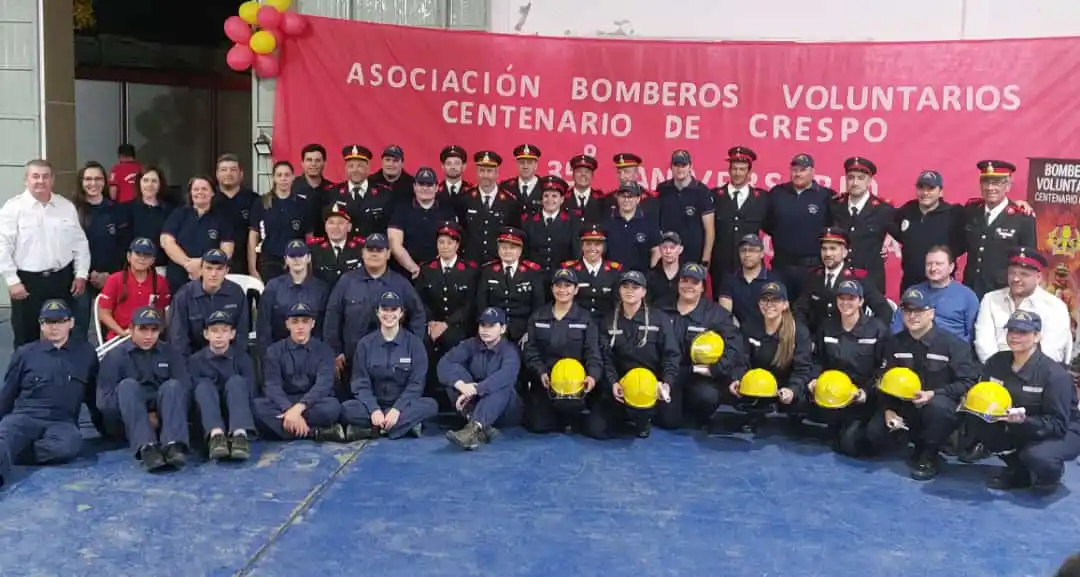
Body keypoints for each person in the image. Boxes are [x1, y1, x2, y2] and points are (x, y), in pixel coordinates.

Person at [866, 287, 979, 480]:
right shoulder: (894, 343)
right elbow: (884, 380)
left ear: (931, 314)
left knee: (937, 409)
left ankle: (929, 453)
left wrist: (934, 394)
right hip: (904, 406)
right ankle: (910, 438)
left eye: (919, 311)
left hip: (939, 406)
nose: (912, 316)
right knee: (873, 436)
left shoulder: (953, 344)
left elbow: (968, 382)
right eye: (907, 311)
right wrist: (888, 410)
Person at [965, 310, 1080, 493]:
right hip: (1015, 422)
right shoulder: (997, 361)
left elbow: (1058, 424)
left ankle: (1050, 475)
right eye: (1011, 331)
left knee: (1036, 455)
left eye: (1023, 332)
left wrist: (1024, 421)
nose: (1015, 336)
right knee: (977, 420)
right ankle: (1017, 470)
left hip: (1063, 430)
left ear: (1037, 336)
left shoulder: (1054, 374)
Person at [0, 300, 97, 488]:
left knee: (70, 445)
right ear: (41, 325)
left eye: (60, 321)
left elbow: (93, 394)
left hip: (61, 422)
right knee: (3, 437)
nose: (54, 327)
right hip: (25, 418)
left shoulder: (86, 353)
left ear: (71, 323)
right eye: (49, 322)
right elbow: (8, 392)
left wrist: (108, 428)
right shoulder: (25, 353)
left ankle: (13, 453)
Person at [0, 159, 91, 347]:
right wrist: (12, 281)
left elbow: (80, 243)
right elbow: (3, 246)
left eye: (45, 176)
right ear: (26, 180)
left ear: (52, 180)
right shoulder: (13, 208)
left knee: (64, 336)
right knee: (26, 339)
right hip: (27, 283)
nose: (40, 181)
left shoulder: (65, 206)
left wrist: (81, 274)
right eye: (35, 176)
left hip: (61, 280)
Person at [585, 270, 681, 439]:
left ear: (644, 292)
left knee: (671, 421)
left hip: (652, 386)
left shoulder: (660, 319)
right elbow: (605, 358)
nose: (630, 291)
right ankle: (627, 415)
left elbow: (671, 355)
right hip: (620, 385)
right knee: (596, 429)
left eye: (635, 287)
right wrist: (613, 382)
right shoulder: (608, 321)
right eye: (625, 286)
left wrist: (667, 383)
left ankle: (644, 418)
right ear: (619, 290)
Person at [96, 306, 192, 471]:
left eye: (154, 330)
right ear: (131, 329)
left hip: (163, 420)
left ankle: (173, 445)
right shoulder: (115, 356)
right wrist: (141, 417)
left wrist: (158, 415)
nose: (148, 336)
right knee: (128, 385)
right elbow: (104, 402)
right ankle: (147, 448)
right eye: (143, 329)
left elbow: (186, 390)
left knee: (173, 386)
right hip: (127, 423)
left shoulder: (170, 352)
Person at [323, 232, 426, 384]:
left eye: (379, 250)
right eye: (370, 250)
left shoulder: (400, 283)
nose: (374, 254)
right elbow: (333, 316)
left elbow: (418, 314)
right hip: (352, 361)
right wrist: (335, 351)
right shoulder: (347, 282)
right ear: (363, 253)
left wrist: (410, 346)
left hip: (392, 363)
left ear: (388, 254)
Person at [717, 281, 814, 435]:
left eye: (775, 300)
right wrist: (738, 378)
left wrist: (792, 390)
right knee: (728, 391)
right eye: (765, 300)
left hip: (784, 386)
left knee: (801, 401)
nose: (769, 305)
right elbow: (742, 359)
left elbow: (802, 369)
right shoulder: (750, 326)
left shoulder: (799, 332)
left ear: (785, 304)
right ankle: (755, 415)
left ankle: (792, 420)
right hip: (757, 384)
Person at [341, 291, 437, 440]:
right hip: (373, 405)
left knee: (431, 405)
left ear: (401, 313)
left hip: (404, 406)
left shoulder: (414, 344)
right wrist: (374, 410)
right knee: (346, 409)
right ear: (378, 312)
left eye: (394, 310)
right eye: (385, 309)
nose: (389, 314)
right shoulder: (365, 344)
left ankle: (374, 430)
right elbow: (360, 383)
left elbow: (416, 384)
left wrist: (397, 410)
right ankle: (403, 427)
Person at [808, 280, 888, 456]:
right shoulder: (826, 326)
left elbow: (883, 369)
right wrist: (814, 378)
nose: (846, 303)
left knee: (850, 446)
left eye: (851, 298)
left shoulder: (876, 329)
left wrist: (865, 393)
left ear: (860, 301)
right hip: (833, 394)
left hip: (863, 398)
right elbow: (817, 359)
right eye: (841, 298)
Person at [661, 263, 746, 428]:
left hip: (700, 376)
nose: (688, 286)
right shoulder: (661, 308)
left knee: (707, 397)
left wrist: (716, 369)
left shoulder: (717, 314)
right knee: (669, 422)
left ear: (702, 287)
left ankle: (697, 414)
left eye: (695, 282)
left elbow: (735, 347)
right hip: (668, 374)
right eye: (684, 280)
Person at [522, 268, 603, 434]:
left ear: (576, 289)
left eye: (568, 285)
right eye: (558, 285)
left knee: (585, 426)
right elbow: (530, 351)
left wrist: (593, 376)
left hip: (576, 387)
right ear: (552, 289)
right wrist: (541, 372)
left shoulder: (585, 318)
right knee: (538, 426)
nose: (562, 290)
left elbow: (593, 352)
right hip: (547, 383)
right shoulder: (538, 317)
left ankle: (576, 415)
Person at [254, 302, 345, 442]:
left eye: (305, 321)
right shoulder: (274, 350)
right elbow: (272, 386)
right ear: (287, 324)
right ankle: (313, 433)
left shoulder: (324, 350)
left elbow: (323, 385)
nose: (300, 326)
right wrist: (289, 409)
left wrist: (298, 409)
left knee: (332, 408)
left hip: (312, 403)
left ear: (312, 324)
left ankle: (286, 430)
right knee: (257, 407)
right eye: (295, 322)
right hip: (285, 401)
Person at [437, 307, 524, 450]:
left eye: (491, 326)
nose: (485, 330)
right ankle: (479, 428)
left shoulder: (510, 351)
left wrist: (476, 389)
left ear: (502, 329)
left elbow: (505, 376)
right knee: (454, 373)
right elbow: (444, 364)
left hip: (504, 411)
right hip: (475, 405)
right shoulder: (471, 344)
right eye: (482, 325)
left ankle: (473, 428)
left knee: (502, 385)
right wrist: (461, 386)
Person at [413, 221, 478, 406]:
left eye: (450, 243)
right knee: (422, 345)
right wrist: (431, 321)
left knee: (454, 342)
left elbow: (470, 304)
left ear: (457, 245)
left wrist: (447, 323)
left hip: (458, 325)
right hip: (431, 324)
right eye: (441, 242)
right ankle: (426, 397)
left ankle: (457, 399)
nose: (445, 246)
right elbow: (419, 300)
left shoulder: (470, 270)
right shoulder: (427, 269)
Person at [954, 160, 1037, 300]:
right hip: (971, 291)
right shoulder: (971, 211)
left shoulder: (1022, 218)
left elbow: (1029, 262)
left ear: (1008, 185)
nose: (990, 187)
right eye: (986, 182)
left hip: (1003, 294)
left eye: (996, 183)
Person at [974, 247, 1073, 363]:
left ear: (1038, 278)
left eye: (1024, 274)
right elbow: (983, 344)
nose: (1016, 279)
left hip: (1038, 375)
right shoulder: (990, 299)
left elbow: (1052, 351)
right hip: (996, 370)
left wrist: (1022, 372)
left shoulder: (1055, 306)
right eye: (1012, 273)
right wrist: (998, 370)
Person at [762, 154, 835, 300]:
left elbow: (833, 230)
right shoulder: (777, 193)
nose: (798, 173)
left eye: (802, 169)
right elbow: (767, 224)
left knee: (809, 312)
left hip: (812, 268)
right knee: (779, 310)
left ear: (812, 171)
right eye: (794, 169)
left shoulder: (826, 196)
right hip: (781, 266)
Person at [74, 161, 129, 340]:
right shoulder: (72, 210)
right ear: (81, 182)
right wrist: (86, 273)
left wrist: (110, 274)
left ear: (104, 182)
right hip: (79, 278)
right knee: (78, 327)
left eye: (98, 178)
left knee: (109, 328)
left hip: (109, 277)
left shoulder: (116, 210)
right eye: (88, 179)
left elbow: (123, 246)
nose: (93, 183)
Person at [190, 310, 256, 461]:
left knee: (237, 381)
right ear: (206, 334)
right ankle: (216, 437)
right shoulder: (195, 361)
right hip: (207, 416)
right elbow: (192, 396)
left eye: (224, 331)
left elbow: (251, 391)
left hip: (237, 412)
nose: (219, 335)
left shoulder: (243, 359)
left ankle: (240, 436)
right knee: (203, 385)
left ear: (232, 334)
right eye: (214, 331)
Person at [826, 157, 896, 294]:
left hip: (870, 283)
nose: (855, 182)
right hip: (840, 280)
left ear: (869, 180)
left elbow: (904, 236)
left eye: (860, 178)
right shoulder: (834, 206)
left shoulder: (883, 210)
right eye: (851, 178)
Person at [159, 175, 235, 293]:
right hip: (178, 277)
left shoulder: (221, 217)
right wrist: (187, 263)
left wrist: (202, 264)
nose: (200, 192)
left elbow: (227, 249)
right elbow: (166, 241)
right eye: (195, 189)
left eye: (204, 189)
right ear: (190, 193)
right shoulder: (179, 213)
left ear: (213, 193)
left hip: (210, 278)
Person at [167, 249, 250, 356]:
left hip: (228, 358)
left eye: (219, 269)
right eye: (209, 268)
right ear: (201, 269)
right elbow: (178, 339)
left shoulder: (236, 293)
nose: (213, 274)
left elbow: (241, 333)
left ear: (227, 270)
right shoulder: (184, 295)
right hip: (194, 359)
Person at [256, 240, 329, 358]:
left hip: (313, 355)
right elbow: (264, 326)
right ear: (286, 259)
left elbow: (324, 327)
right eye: (292, 256)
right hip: (279, 355)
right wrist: (268, 356)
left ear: (308, 258)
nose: (297, 259)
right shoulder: (273, 287)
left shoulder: (321, 288)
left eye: (301, 255)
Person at [889, 246, 979, 341]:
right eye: (929, 264)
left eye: (939, 264)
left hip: (952, 351)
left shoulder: (967, 296)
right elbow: (897, 328)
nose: (933, 268)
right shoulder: (912, 292)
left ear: (951, 267)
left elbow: (972, 335)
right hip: (915, 349)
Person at [476, 227, 544, 343]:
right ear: (498, 249)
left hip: (522, 330)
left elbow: (538, 306)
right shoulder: (488, 271)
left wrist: (530, 332)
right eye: (504, 248)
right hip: (493, 328)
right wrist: (487, 327)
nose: (507, 251)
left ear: (520, 250)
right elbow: (481, 303)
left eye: (512, 248)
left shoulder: (531, 273)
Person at [709, 146, 767, 282]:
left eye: (742, 169)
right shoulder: (714, 196)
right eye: (734, 168)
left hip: (750, 267)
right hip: (721, 267)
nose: (737, 173)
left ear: (749, 172)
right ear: (729, 170)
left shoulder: (762, 198)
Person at [96, 238, 171, 341]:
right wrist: (122, 332)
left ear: (153, 260)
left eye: (147, 255)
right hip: (119, 337)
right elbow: (103, 314)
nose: (142, 258)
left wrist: (154, 333)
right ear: (129, 256)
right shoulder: (114, 279)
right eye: (138, 254)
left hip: (149, 337)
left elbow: (161, 312)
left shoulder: (160, 282)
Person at [248, 161, 309, 282]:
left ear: (293, 177)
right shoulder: (262, 202)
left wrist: (308, 265)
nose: (283, 179)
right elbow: (253, 236)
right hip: (269, 262)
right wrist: (252, 268)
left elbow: (309, 237)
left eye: (287, 175)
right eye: (279, 175)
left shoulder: (302, 204)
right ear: (273, 178)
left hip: (296, 261)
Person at [655, 149, 715, 267]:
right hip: (667, 256)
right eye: (676, 165)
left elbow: (710, 231)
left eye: (684, 165)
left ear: (690, 166)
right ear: (671, 167)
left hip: (693, 258)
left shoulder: (702, 191)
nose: (680, 169)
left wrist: (705, 261)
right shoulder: (662, 189)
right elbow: (656, 224)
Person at [460, 150, 521, 264]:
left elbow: (515, 235)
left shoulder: (510, 202)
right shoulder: (465, 199)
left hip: (497, 263)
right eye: (482, 171)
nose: (485, 175)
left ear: (497, 173)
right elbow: (461, 231)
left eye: (489, 171)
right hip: (470, 263)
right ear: (477, 172)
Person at [326, 145, 394, 239]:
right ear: (345, 168)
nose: (355, 170)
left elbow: (390, 230)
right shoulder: (332, 193)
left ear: (368, 168)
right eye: (351, 166)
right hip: (344, 252)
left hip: (373, 250)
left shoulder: (384, 194)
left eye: (360, 166)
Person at [560, 225, 623, 320]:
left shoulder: (615, 271)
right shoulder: (569, 269)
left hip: (606, 322)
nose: (592, 248)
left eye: (597, 244)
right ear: (582, 246)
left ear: (603, 247)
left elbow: (618, 302)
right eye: (588, 244)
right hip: (576, 322)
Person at [212, 154, 259, 277]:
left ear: (241, 174)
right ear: (217, 174)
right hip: (213, 266)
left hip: (246, 266)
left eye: (233, 170)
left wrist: (253, 268)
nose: (228, 173)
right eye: (223, 170)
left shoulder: (254, 200)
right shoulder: (209, 200)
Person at [521, 175, 579, 274]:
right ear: (541, 199)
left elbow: (576, 254)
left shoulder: (572, 222)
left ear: (562, 200)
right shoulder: (528, 221)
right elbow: (524, 253)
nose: (550, 200)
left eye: (554, 196)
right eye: (546, 196)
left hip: (562, 277)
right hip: (534, 275)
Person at [717, 234, 777, 329]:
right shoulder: (730, 279)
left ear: (762, 254)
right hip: (736, 333)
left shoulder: (773, 280)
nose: (747, 254)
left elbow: (776, 315)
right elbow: (725, 314)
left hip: (765, 334)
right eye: (743, 250)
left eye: (752, 250)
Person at [601, 182, 661, 274]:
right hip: (612, 279)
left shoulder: (649, 223)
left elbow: (656, 251)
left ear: (638, 199)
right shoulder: (607, 222)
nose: (626, 200)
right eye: (623, 196)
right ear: (617, 198)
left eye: (630, 197)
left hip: (639, 280)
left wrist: (651, 274)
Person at [127, 167, 174, 277]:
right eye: (146, 180)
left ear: (160, 184)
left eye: (154, 181)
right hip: (134, 269)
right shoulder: (127, 209)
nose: (150, 185)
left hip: (161, 268)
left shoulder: (170, 211)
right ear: (139, 183)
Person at [308, 203, 364, 288]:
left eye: (340, 223)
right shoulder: (313, 248)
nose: (335, 227)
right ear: (325, 227)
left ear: (349, 227)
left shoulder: (361, 248)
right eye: (331, 223)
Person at [500, 143, 542, 215]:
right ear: (516, 164)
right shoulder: (505, 187)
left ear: (536, 165)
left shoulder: (544, 187)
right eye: (521, 162)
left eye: (529, 163)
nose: (525, 166)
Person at [646, 232, 684, 306]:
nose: (668, 251)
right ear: (660, 249)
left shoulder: (687, 275)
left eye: (672, 247)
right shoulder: (650, 276)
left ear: (680, 249)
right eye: (664, 247)